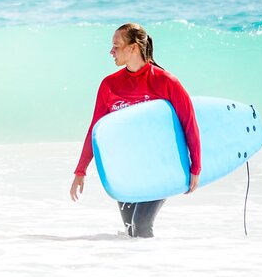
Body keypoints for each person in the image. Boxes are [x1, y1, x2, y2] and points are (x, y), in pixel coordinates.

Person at [69, 23, 201, 238]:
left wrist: (196, 166)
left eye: (116, 46)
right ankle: (137, 269)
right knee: (131, 229)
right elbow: (96, 130)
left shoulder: (166, 82)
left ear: (133, 48)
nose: (111, 51)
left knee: (140, 225)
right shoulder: (109, 85)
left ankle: (155, 268)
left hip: (159, 167)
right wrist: (80, 171)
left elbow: (189, 124)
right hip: (125, 169)